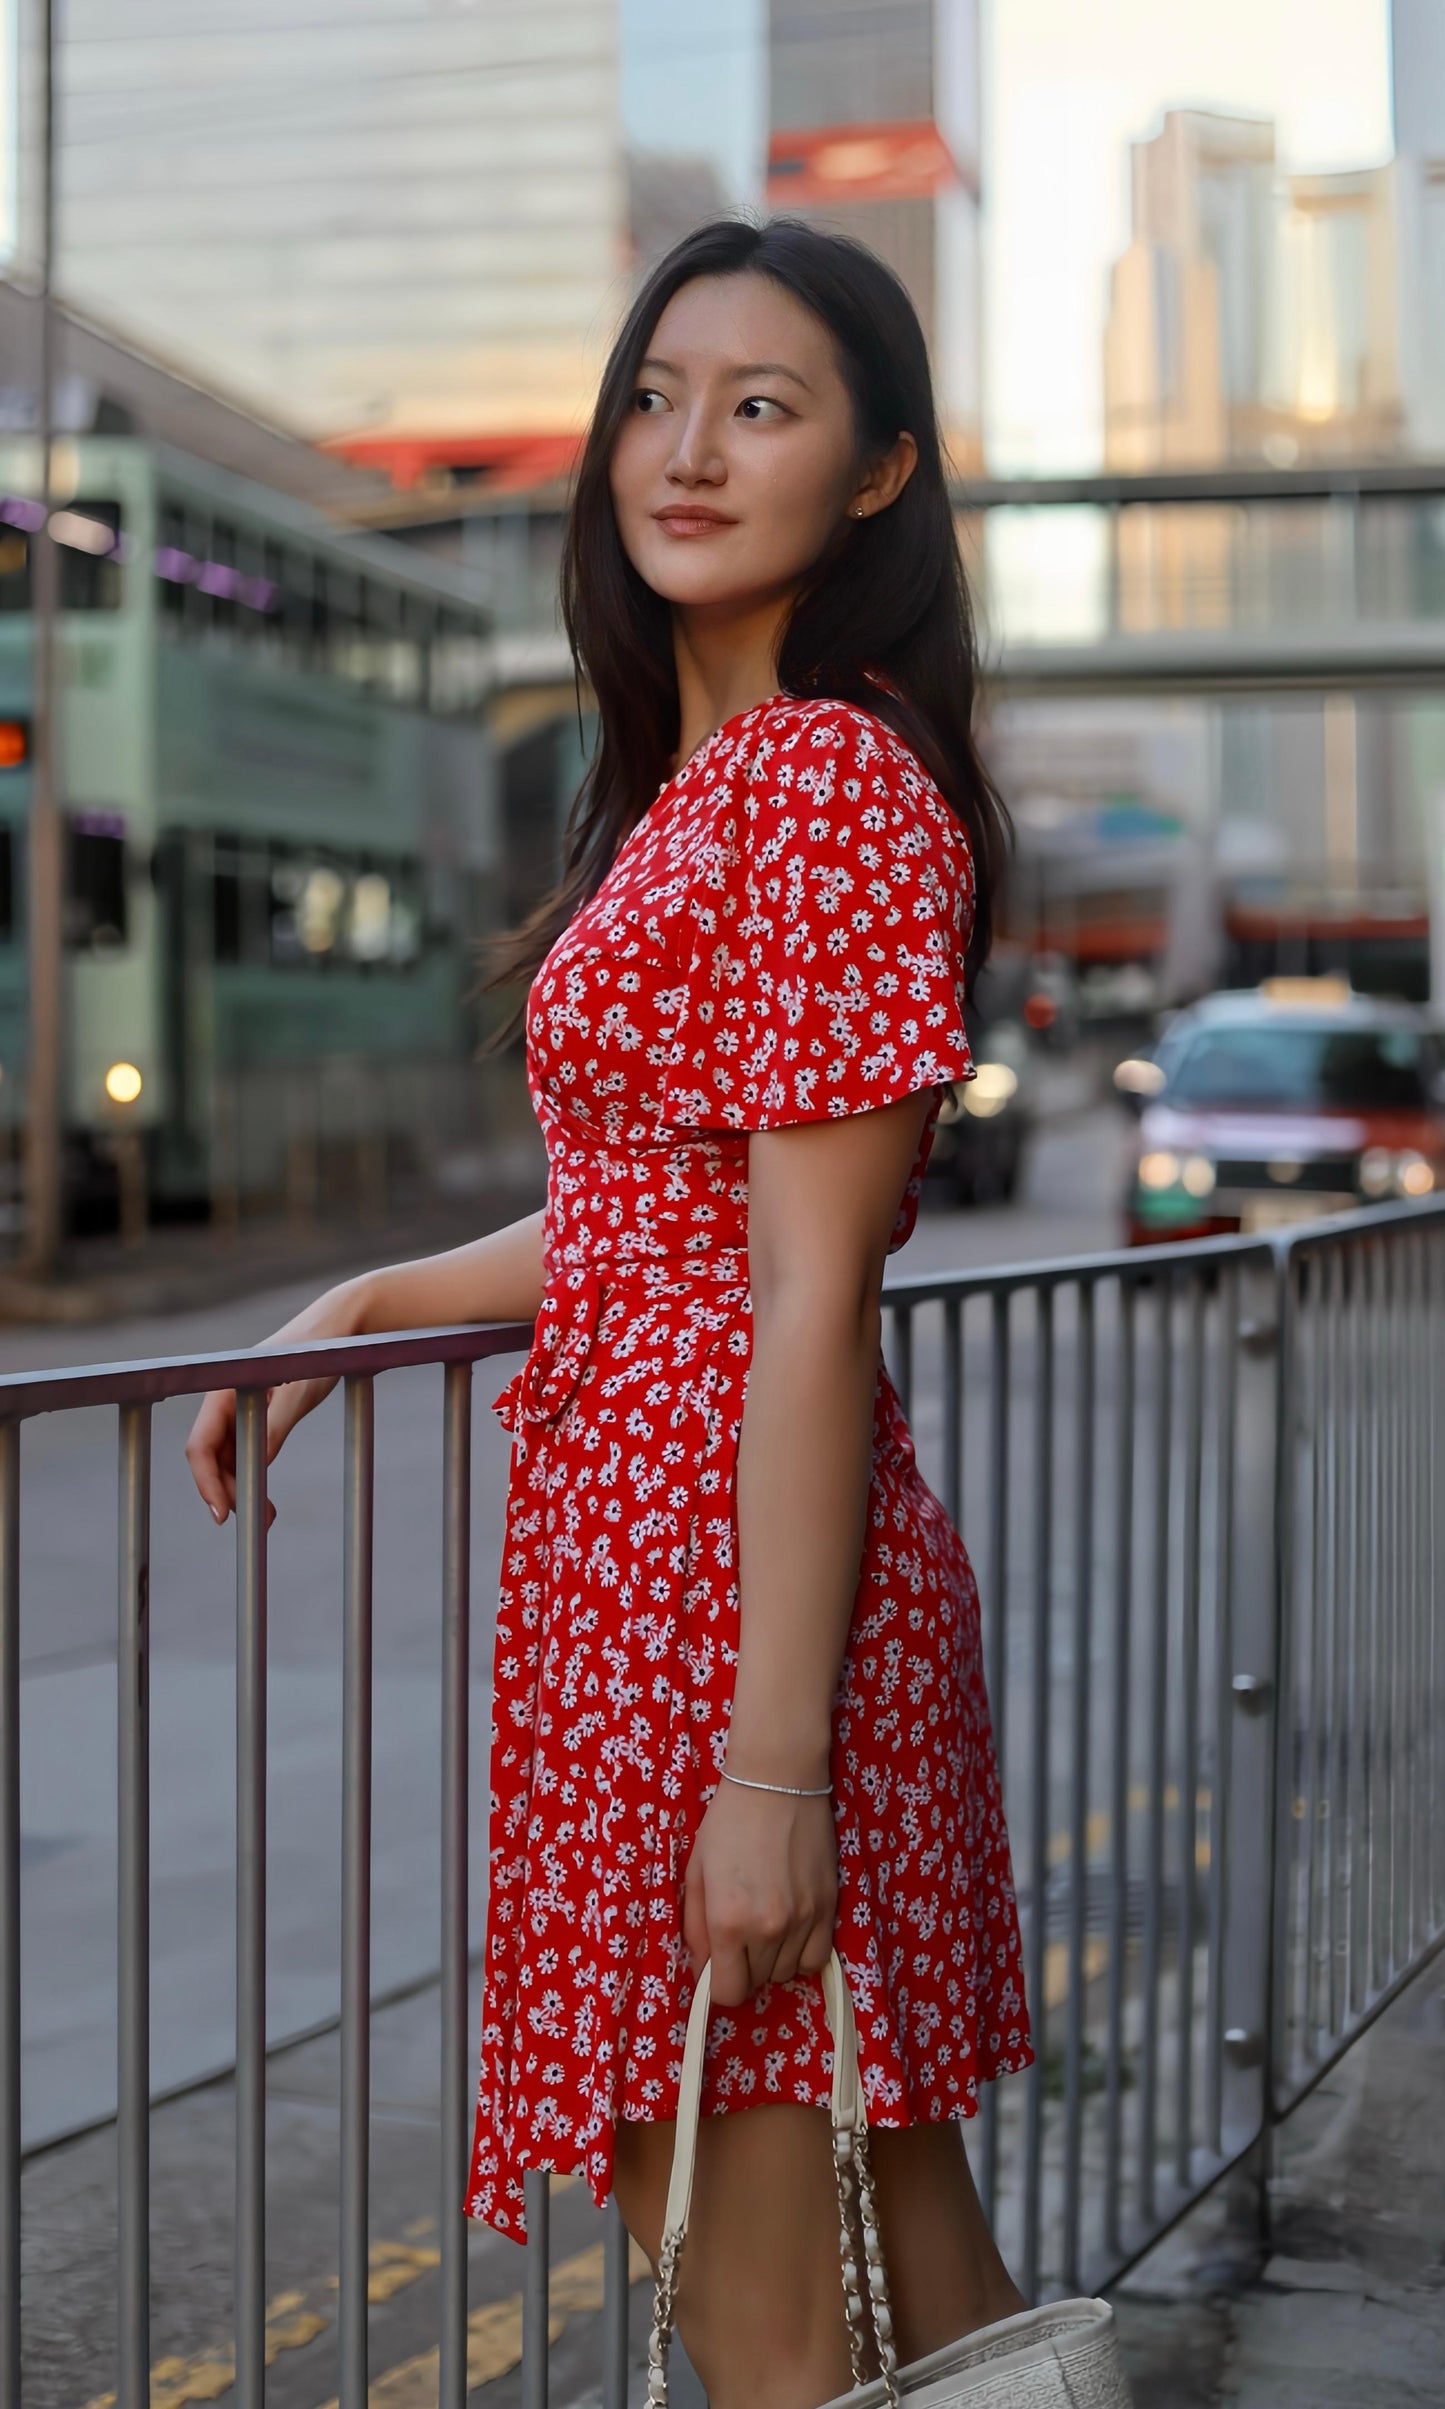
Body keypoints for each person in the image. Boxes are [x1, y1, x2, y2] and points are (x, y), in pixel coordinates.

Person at [186, 217, 1031, 2409]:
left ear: (876, 478)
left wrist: (768, 1766)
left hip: (726, 1623)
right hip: (655, 1593)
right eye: (658, 394)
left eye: (762, 406)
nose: (686, 446)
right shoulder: (704, 785)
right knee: (922, 2285)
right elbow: (648, 1218)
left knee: (765, 2322)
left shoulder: (826, 778)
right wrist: (372, 1286)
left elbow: (814, 1289)